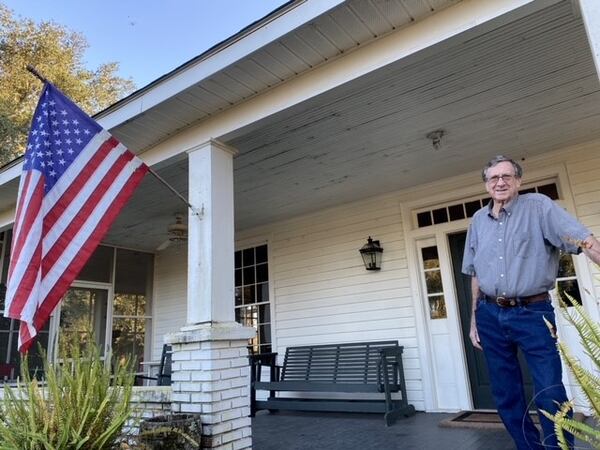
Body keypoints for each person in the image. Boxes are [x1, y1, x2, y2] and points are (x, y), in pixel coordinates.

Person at [462, 155, 600, 450]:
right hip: (488, 313)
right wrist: (474, 318)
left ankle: (558, 448)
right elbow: (475, 272)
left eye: (506, 176)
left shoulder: (538, 207)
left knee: (550, 389)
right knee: (506, 394)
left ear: (519, 181)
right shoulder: (477, 221)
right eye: (493, 178)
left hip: (533, 312)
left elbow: (583, 240)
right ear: (486, 185)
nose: (500, 182)